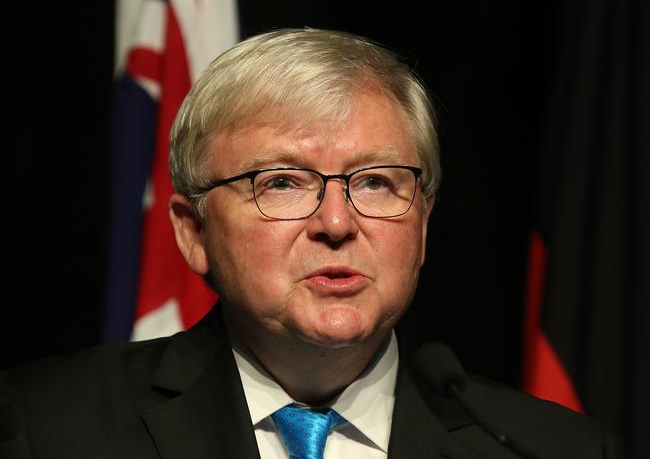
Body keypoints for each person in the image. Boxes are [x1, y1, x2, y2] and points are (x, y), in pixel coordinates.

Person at [0, 28, 620, 458]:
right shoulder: (44, 428)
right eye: (282, 183)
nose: (336, 222)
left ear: (423, 224)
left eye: (376, 182)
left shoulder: (551, 449)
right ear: (192, 233)